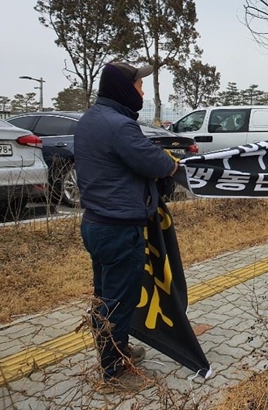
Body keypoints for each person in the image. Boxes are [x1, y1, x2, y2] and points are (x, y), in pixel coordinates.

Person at [75, 61, 179, 390]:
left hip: (95, 224)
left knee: (105, 297)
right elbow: (156, 163)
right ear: (123, 88)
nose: (142, 91)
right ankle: (113, 372)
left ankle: (113, 351)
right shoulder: (119, 126)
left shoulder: (90, 120)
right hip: (119, 230)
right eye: (138, 86)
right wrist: (172, 162)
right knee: (120, 301)